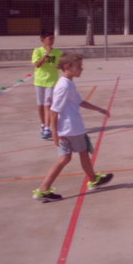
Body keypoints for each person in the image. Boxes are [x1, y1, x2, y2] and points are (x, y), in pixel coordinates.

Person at [32, 53, 113, 202]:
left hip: (67, 129)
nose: (81, 69)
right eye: (79, 67)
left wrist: (99, 109)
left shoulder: (67, 83)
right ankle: (93, 180)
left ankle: (43, 190)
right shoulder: (64, 86)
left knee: (65, 158)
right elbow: (54, 111)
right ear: (68, 67)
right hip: (72, 128)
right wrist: (55, 133)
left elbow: (79, 101)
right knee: (83, 153)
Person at [32, 31, 63, 140]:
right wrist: (46, 54)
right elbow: (37, 64)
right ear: (43, 40)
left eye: (53, 39)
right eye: (50, 39)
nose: (52, 41)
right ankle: (43, 124)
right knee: (40, 105)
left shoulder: (58, 52)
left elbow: (60, 65)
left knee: (48, 105)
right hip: (39, 81)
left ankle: (47, 128)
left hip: (52, 81)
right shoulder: (37, 51)